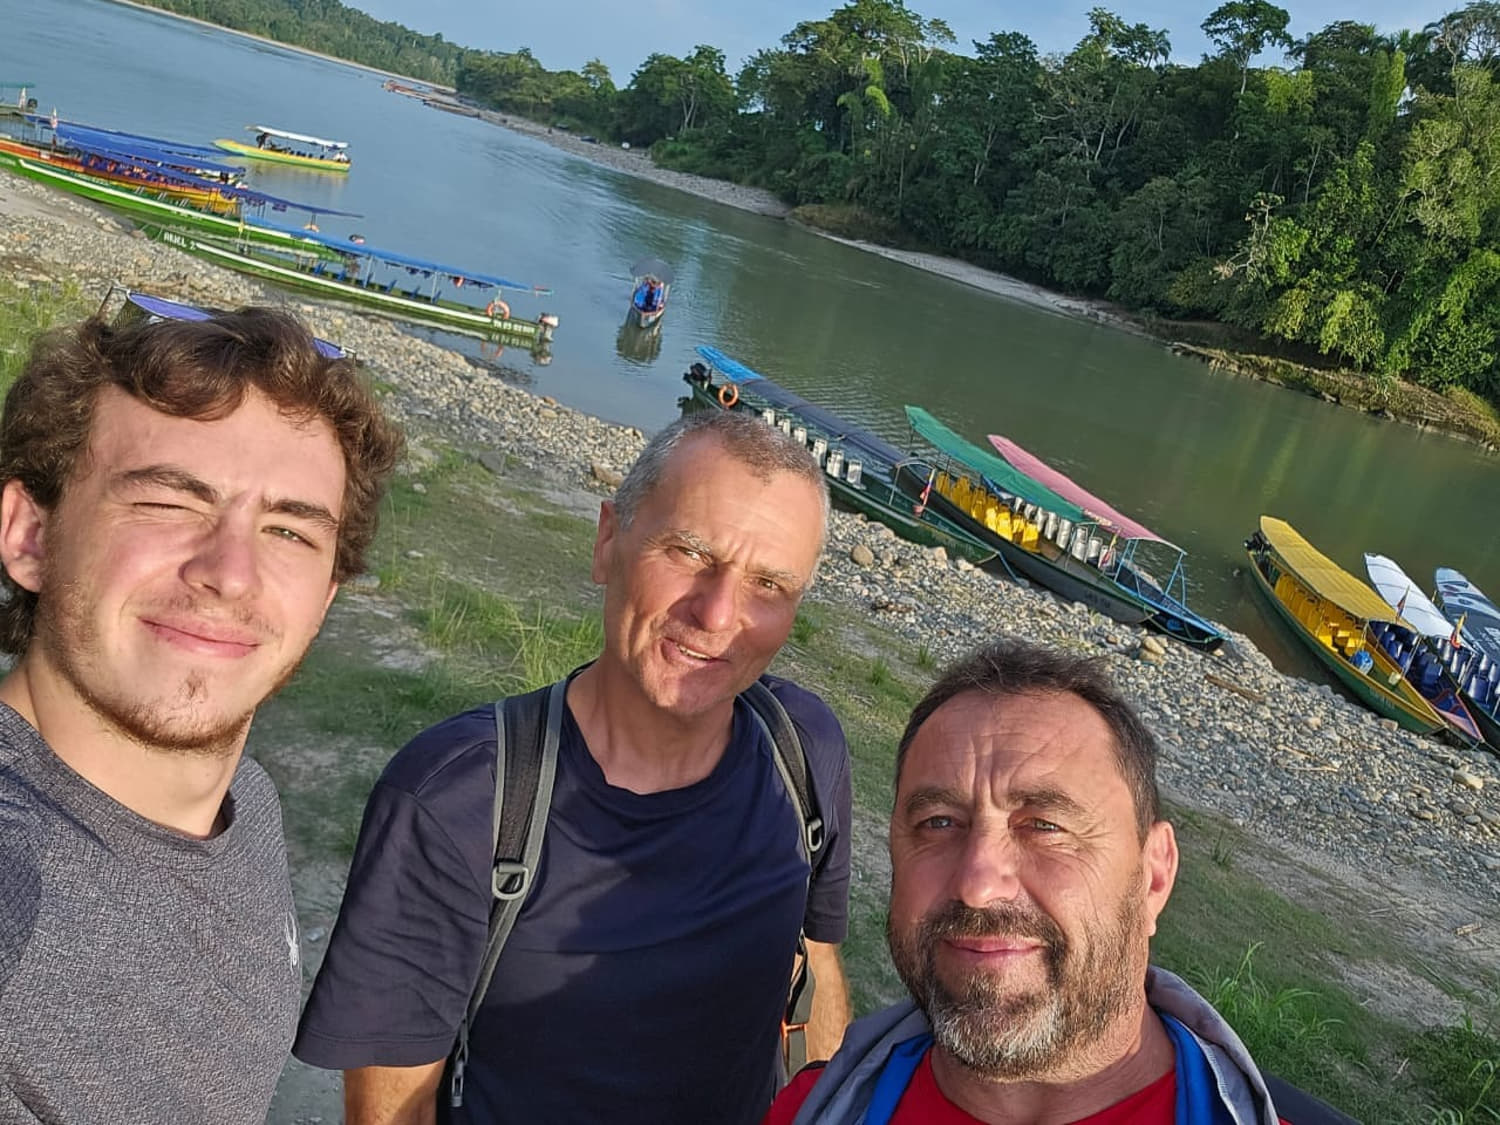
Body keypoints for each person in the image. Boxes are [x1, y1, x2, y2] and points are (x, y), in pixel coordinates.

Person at [294, 409, 855, 1124]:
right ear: (606, 541)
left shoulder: (805, 753)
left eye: (768, 585)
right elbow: (392, 1111)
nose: (718, 614)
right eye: (688, 552)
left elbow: (818, 965)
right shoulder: (458, 802)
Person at [0, 307, 403, 1123]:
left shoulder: (245, 804)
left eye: (288, 529)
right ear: (30, 535)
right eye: (169, 503)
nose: (230, 572)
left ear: (325, 599)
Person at [767, 639, 1349, 1125]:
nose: (978, 884)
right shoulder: (811, 1111)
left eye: (1044, 825)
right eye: (938, 823)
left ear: (1153, 876)